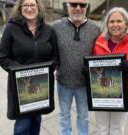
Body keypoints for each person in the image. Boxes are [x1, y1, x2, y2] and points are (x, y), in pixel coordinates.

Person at [0, 0, 59, 134]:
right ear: (20, 8)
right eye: (26, 5)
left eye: (32, 5)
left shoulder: (49, 30)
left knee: (36, 120)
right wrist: (22, 72)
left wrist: (47, 71)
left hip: (41, 86)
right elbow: (2, 57)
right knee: (23, 125)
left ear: (38, 7)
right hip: (20, 86)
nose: (29, 8)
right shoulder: (11, 28)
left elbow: (55, 56)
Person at [93, 7, 128, 135]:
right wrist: (90, 71)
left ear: (126, 24)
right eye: (112, 22)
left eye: (119, 21)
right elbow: (95, 66)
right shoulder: (99, 42)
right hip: (102, 94)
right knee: (102, 128)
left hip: (124, 95)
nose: (115, 25)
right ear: (107, 24)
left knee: (116, 129)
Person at [52, 0, 100, 134]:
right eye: (73, 4)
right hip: (63, 82)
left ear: (87, 7)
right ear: (67, 6)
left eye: (82, 5)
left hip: (84, 84)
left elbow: (112, 39)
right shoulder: (55, 27)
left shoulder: (96, 28)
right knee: (64, 115)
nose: (78, 8)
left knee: (83, 116)